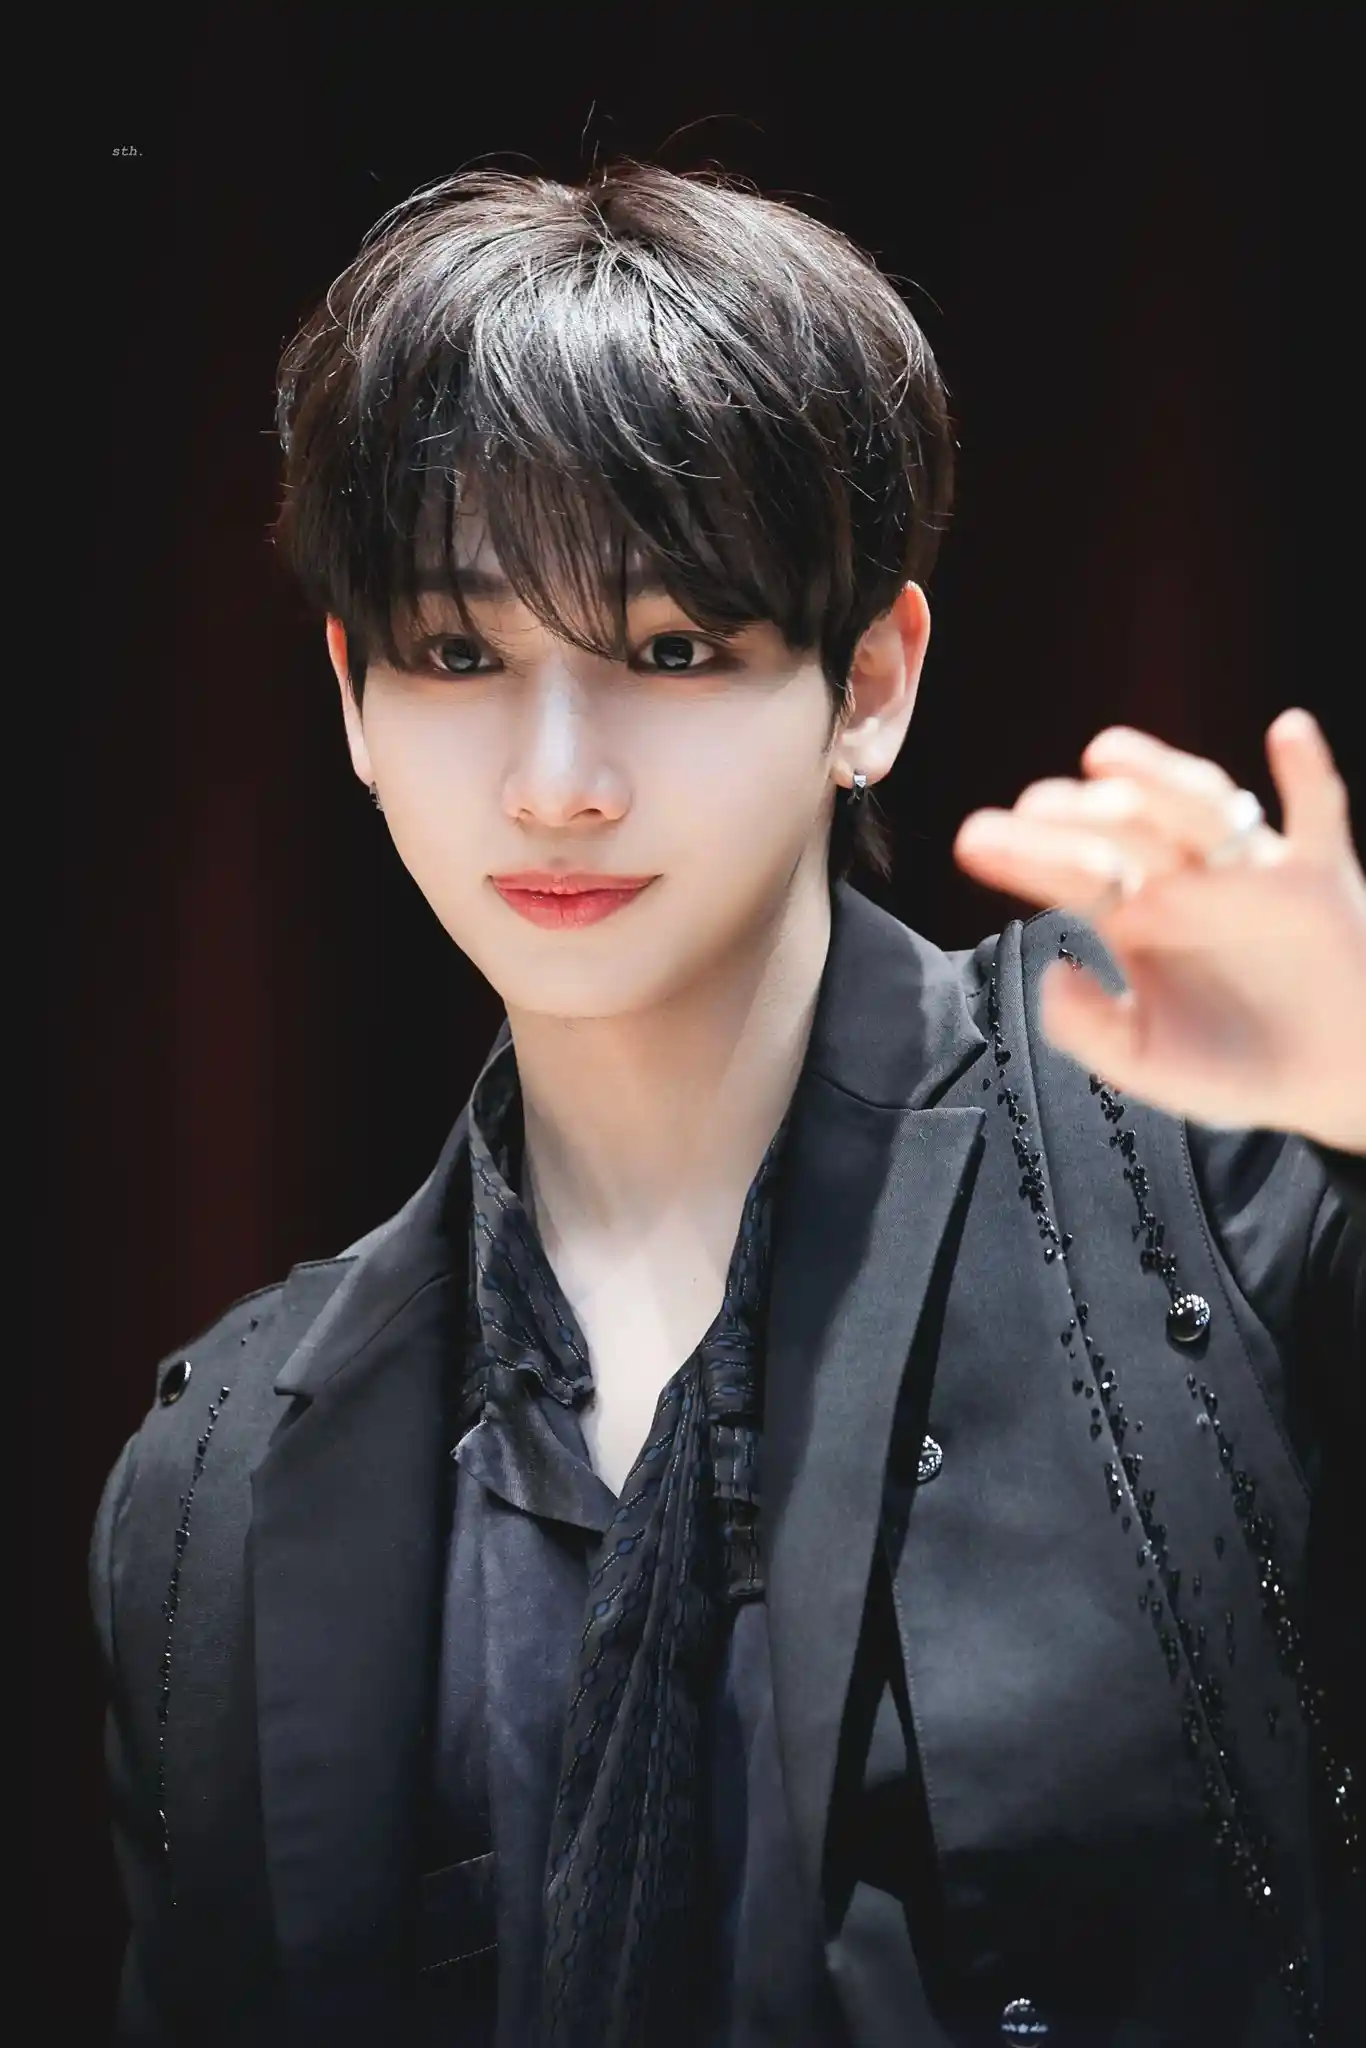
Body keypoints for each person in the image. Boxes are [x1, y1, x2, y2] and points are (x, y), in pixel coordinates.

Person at [90, 164, 1365, 2048]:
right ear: (353, 698)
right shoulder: (211, 1481)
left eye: (672, 649)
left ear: (869, 685)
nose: (556, 783)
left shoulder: (1193, 1168)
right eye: (459, 654)